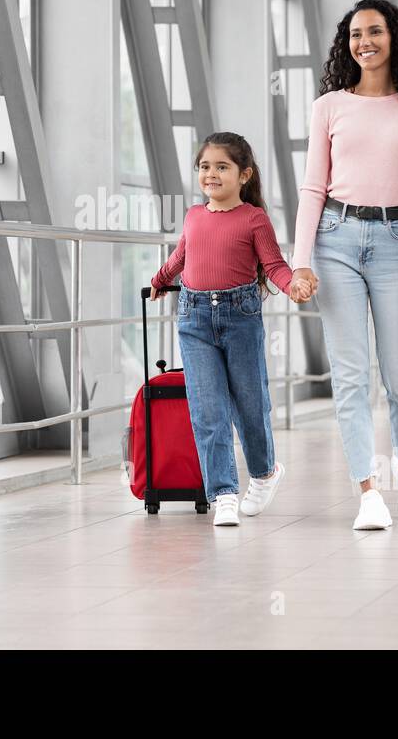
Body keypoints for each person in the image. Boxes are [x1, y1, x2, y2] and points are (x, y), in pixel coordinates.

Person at [288, 0, 398, 530]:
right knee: (352, 375)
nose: (365, 42)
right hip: (335, 240)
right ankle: (367, 493)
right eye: (356, 34)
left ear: (393, 38)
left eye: (375, 32)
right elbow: (313, 186)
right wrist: (300, 262)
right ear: (346, 43)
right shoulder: (329, 105)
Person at [150, 132, 293, 527]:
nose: (210, 174)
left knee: (251, 405)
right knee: (208, 410)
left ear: (244, 174)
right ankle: (224, 493)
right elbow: (183, 253)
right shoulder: (194, 215)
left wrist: (291, 284)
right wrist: (161, 278)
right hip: (194, 320)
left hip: (240, 318)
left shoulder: (254, 219)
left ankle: (265, 472)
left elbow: (275, 265)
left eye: (221, 167)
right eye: (204, 167)